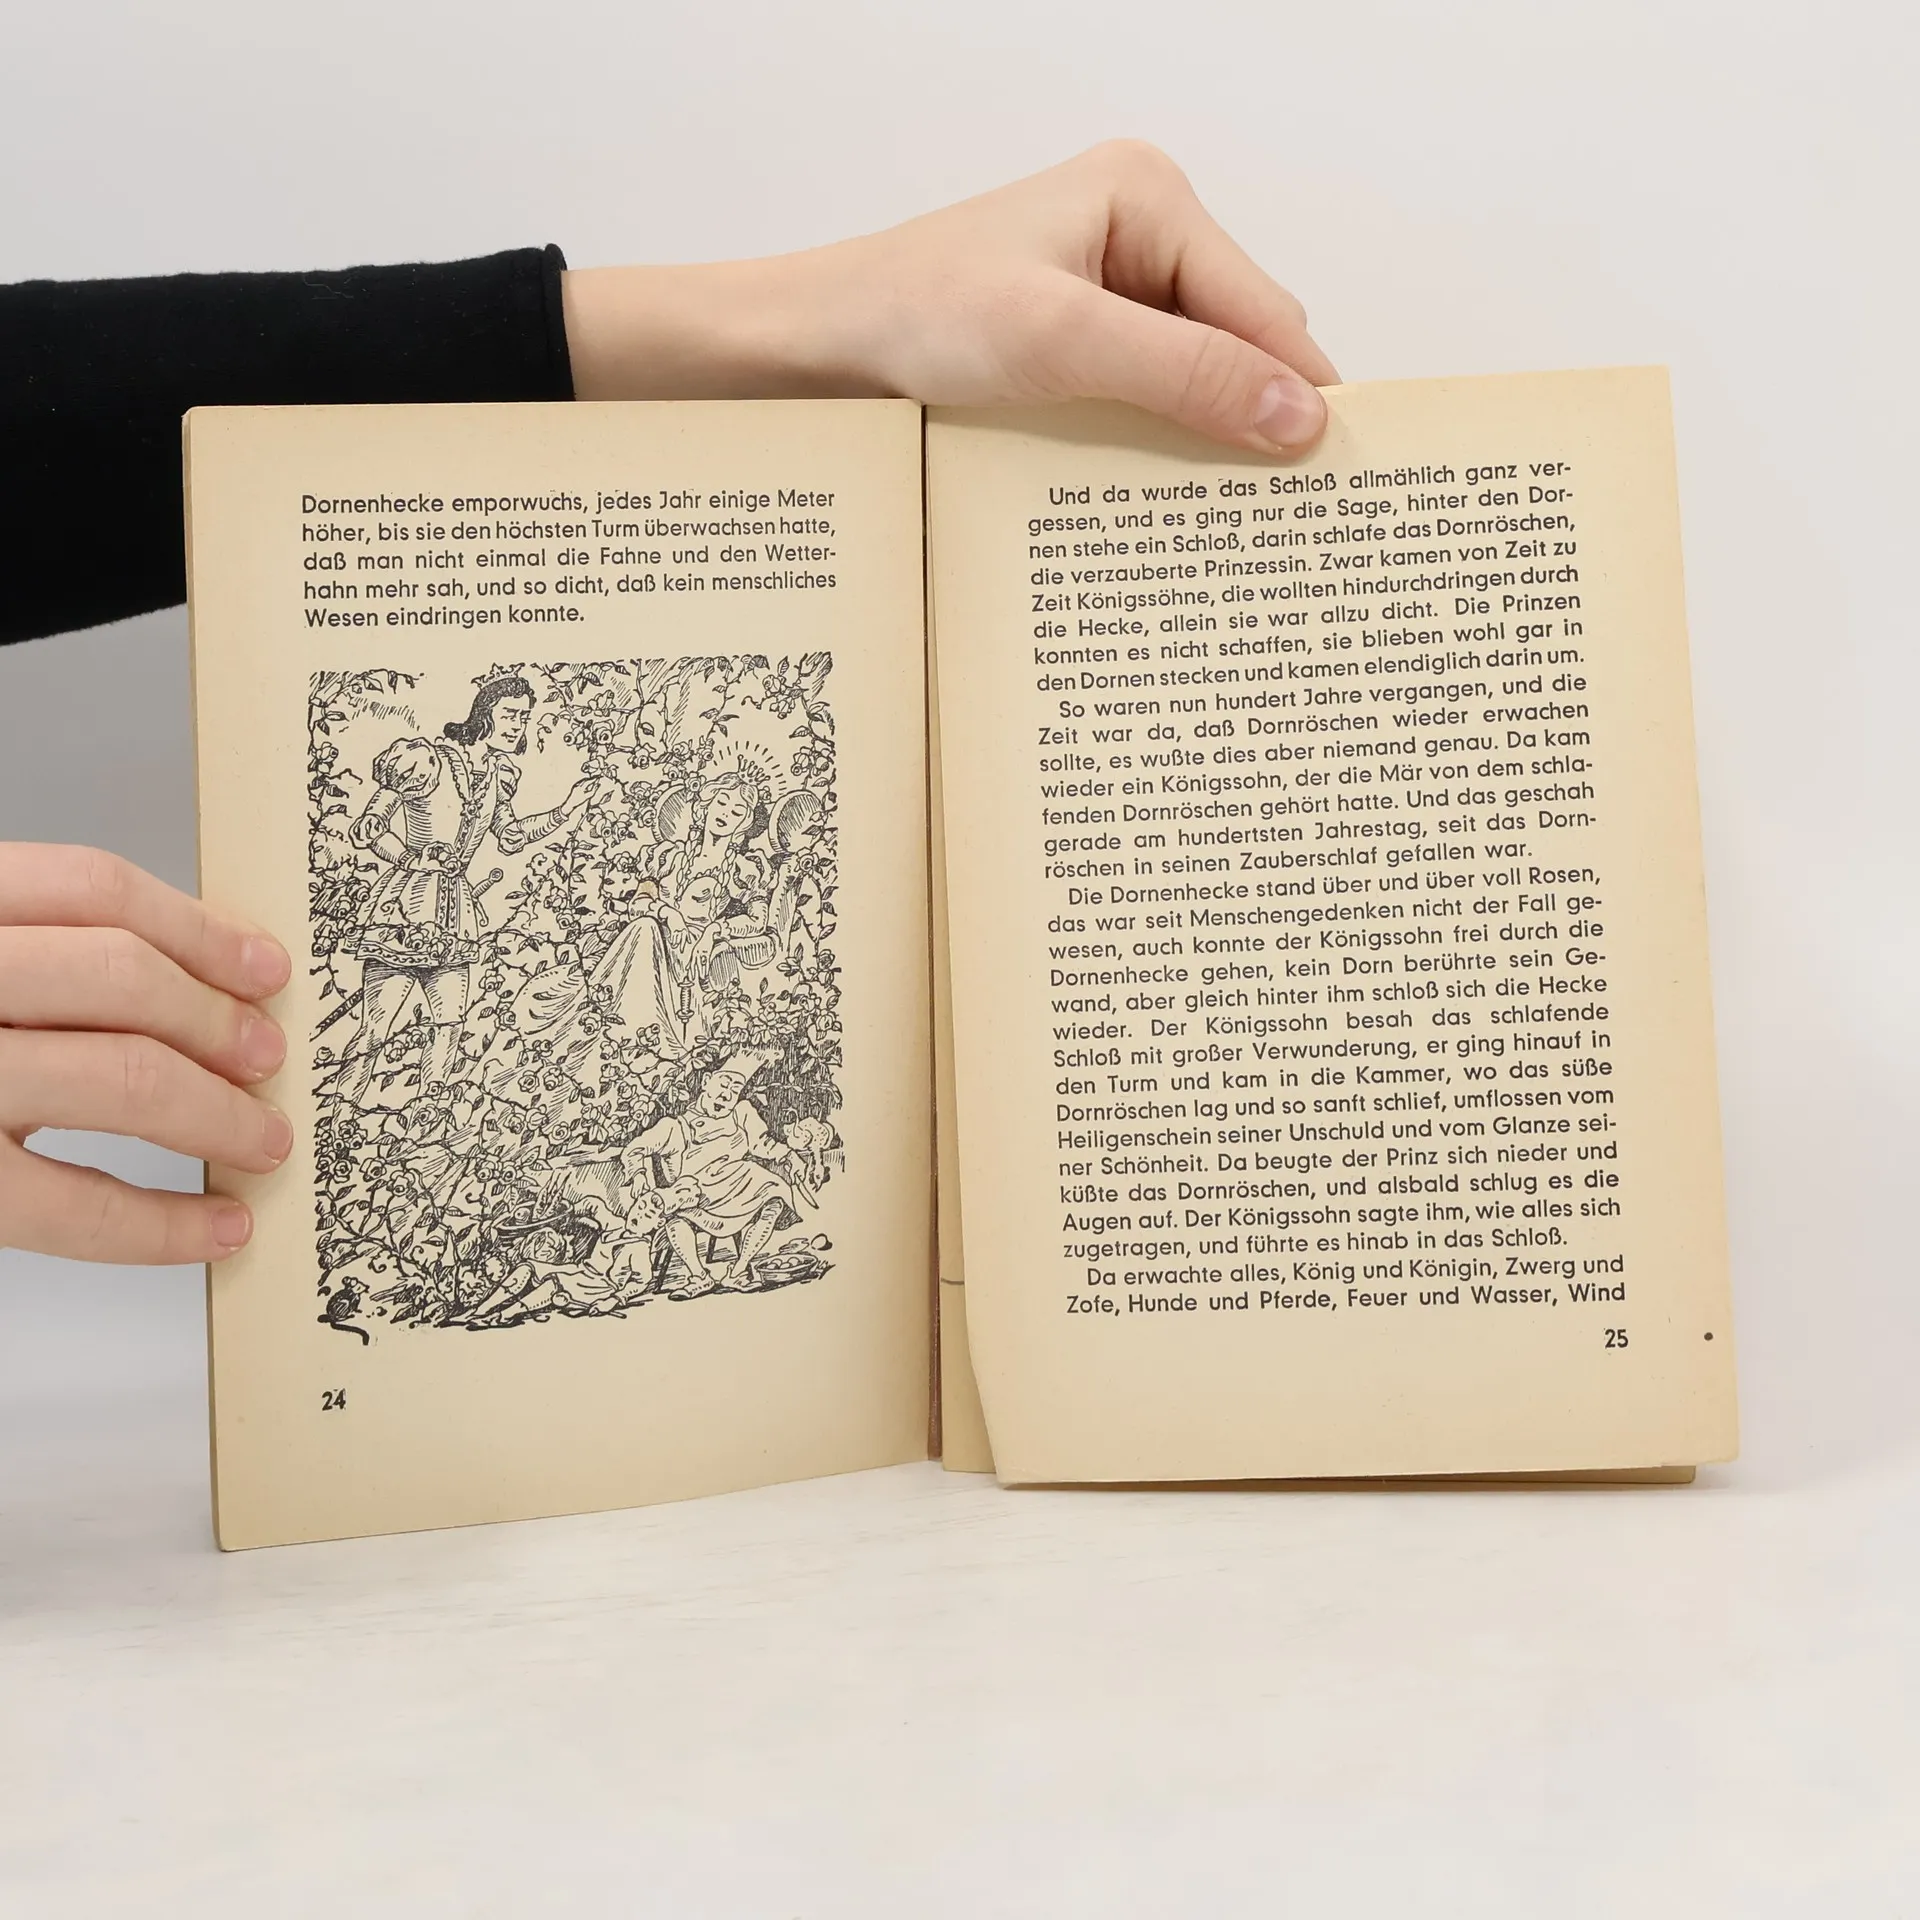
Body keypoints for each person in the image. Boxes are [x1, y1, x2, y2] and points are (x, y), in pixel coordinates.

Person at [0, 142, 1337, 1267]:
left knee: (485, 1016)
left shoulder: (601, 828)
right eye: (509, 728)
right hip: (439, 931)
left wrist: (808, 320)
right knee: (423, 1017)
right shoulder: (451, 779)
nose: (519, 740)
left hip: (513, 936)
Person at [331, 676, 603, 1107]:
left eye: (524, 718)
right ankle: (340, 1110)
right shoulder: (428, 760)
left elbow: (511, 837)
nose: (517, 726)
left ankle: (424, 1118)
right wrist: (412, 859)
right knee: (376, 1030)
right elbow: (369, 829)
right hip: (404, 909)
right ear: (484, 714)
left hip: (456, 917)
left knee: (448, 1028)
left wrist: (566, 809)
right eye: (510, 715)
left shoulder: (497, 775)